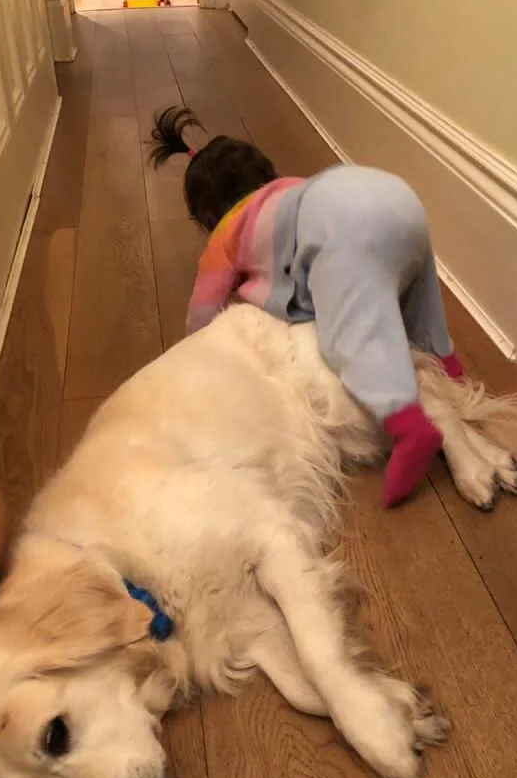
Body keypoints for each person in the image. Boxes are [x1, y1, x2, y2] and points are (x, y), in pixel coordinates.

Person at [148, 106, 463, 507]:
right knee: (421, 301)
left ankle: (408, 425)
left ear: (208, 216)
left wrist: (197, 347)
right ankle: (451, 369)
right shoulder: (294, 191)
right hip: (397, 198)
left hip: (346, 227)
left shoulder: (225, 237)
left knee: (347, 339)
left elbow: (202, 313)